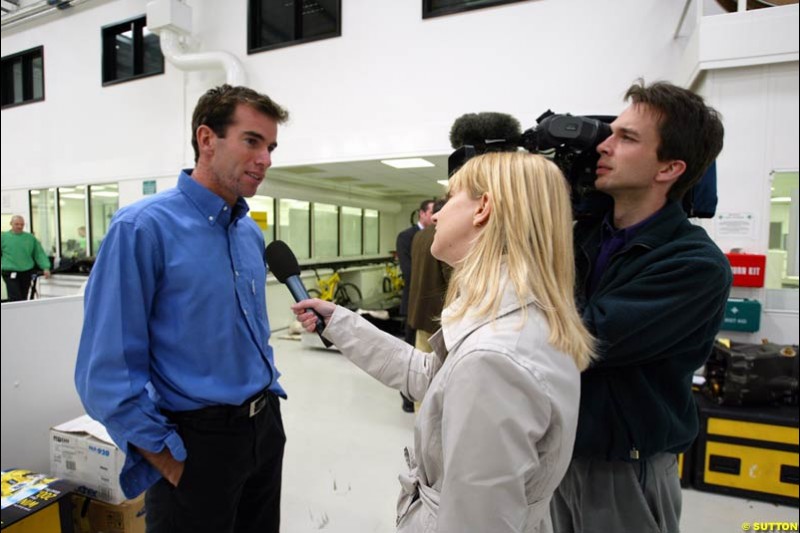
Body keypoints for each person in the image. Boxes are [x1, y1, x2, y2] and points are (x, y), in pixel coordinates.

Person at [293, 152, 595, 532]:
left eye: (451, 198)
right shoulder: (513, 320)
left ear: (483, 208)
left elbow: (476, 523)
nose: (435, 215)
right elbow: (428, 375)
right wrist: (341, 323)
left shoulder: (493, 359)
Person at [74, 84, 290, 533]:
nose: (265, 158)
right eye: (252, 141)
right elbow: (105, 372)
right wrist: (163, 457)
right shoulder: (142, 228)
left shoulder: (248, 234)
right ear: (206, 139)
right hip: (194, 445)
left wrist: (268, 411)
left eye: (270, 147)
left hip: (264, 429)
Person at [550, 81, 732, 533]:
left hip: (624, 469)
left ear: (669, 167)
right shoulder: (582, 236)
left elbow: (583, 339)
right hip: (560, 453)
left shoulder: (695, 264)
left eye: (626, 138)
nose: (603, 147)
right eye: (610, 133)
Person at [395, 198, 435, 412]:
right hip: (413, 302)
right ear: (421, 214)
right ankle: (407, 398)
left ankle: (422, 395)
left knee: (424, 357)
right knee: (410, 353)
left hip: (428, 306)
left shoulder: (437, 235)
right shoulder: (407, 237)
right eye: (431, 212)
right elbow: (409, 271)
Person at [406, 198, 451, 352]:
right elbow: (451, 278)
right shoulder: (444, 234)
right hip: (438, 317)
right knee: (440, 366)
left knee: (423, 361)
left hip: (419, 312)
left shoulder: (419, 236)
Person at [1, 215, 51, 302]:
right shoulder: (3, 237)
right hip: (10, 272)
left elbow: (39, 253)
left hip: (26, 271)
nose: (19, 226)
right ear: (11, 224)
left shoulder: (30, 238)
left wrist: (45, 267)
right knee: (15, 298)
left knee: (23, 297)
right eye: (17, 224)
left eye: (22, 224)